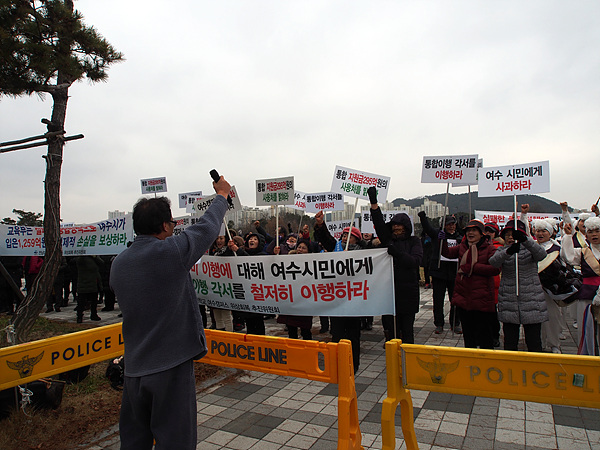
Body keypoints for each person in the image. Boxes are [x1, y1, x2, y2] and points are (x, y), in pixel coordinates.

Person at [110, 175, 231, 450]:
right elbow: (208, 227)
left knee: (134, 441)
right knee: (175, 441)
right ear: (165, 226)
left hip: (134, 368)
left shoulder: (118, 263)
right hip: (170, 368)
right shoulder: (171, 252)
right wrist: (222, 195)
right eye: (173, 223)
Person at [313, 210, 366, 373]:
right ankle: (337, 364)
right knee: (336, 334)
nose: (345, 238)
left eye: (349, 236)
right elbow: (325, 238)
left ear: (356, 239)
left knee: (353, 336)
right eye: (343, 235)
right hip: (336, 300)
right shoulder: (335, 248)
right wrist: (321, 224)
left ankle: (353, 365)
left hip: (354, 301)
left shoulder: (364, 253)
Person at [369, 187, 422, 344]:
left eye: (400, 226)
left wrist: (397, 253)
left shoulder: (415, 242)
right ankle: (393, 363)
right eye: (394, 226)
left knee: (407, 332)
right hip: (388, 294)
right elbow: (379, 223)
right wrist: (374, 203)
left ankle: (406, 363)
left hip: (408, 295)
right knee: (391, 333)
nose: (396, 228)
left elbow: (415, 262)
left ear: (406, 227)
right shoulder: (388, 239)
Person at [489, 218, 548, 352]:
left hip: (532, 300)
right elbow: (493, 262)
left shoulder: (530, 250)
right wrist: (508, 252)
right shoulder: (502, 250)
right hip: (509, 300)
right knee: (510, 342)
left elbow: (542, 254)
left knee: (534, 342)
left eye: (514, 234)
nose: (510, 237)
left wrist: (526, 241)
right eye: (507, 234)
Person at [441, 220, 500, 349]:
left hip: (482, 299)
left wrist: (473, 267)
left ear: (481, 233)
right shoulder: (463, 246)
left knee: (485, 337)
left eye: (474, 230)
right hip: (464, 298)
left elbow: (495, 269)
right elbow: (447, 253)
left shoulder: (490, 248)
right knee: (469, 337)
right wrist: (442, 240)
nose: (470, 233)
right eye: (468, 231)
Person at [419, 211, 463, 334]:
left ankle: (455, 323)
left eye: (453, 224)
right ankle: (439, 324)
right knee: (438, 300)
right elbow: (427, 228)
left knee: (455, 299)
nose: (451, 226)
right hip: (439, 272)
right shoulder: (438, 235)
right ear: (443, 226)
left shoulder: (459, 237)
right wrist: (423, 217)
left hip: (455, 272)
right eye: (449, 224)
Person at [560, 216, 600, 350]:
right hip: (587, 293)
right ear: (586, 234)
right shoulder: (583, 252)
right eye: (591, 231)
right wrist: (567, 236)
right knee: (586, 328)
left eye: (597, 231)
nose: (594, 234)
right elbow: (568, 256)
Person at [276, 239, 314, 340]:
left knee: (305, 330)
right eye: (299, 247)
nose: (300, 249)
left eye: (304, 248)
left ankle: (307, 351)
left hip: (304, 302)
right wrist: (275, 254)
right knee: (291, 330)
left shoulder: (312, 263)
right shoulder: (288, 260)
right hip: (291, 301)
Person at [484, 222, 503, 347]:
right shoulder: (480, 245)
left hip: (496, 283)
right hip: (483, 283)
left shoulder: (500, 246)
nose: (488, 233)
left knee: (493, 314)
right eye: (486, 231)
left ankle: (495, 336)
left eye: (491, 231)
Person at [74, 255, 103, 323]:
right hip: (83, 283)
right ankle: (79, 316)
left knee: (94, 301)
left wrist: (95, 257)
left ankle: (93, 314)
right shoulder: (80, 258)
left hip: (93, 283)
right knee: (81, 302)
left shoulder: (94, 257)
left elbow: (102, 263)